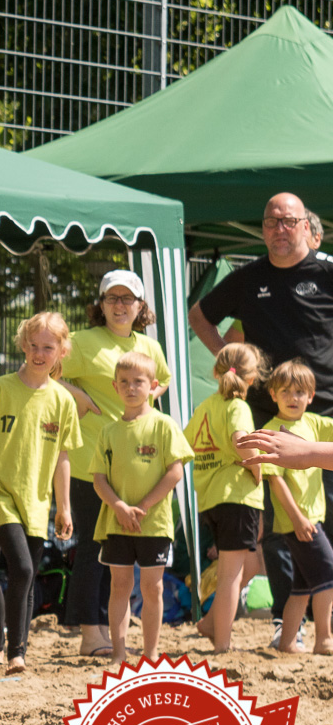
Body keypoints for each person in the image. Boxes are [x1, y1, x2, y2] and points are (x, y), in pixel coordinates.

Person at [192, 192, 333, 642]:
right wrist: (232, 365)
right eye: (270, 222)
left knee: (319, 526)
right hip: (269, 421)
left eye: (287, 221)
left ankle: (234, 617)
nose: (278, 229)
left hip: (326, 413)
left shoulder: (327, 272)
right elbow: (199, 316)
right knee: (281, 531)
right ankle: (283, 624)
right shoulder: (249, 278)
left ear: (307, 226)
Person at [59, 269, 171, 657]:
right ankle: (91, 634)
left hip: (138, 472)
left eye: (128, 299)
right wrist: (77, 394)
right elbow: (43, 370)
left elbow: (164, 380)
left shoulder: (148, 347)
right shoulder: (82, 341)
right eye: (113, 298)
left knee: (118, 561)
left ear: (141, 307)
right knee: (94, 550)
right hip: (91, 466)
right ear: (101, 305)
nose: (120, 305)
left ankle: (108, 633)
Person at [0, 312, 80, 674]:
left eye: (47, 347)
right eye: (33, 345)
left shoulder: (63, 401)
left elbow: (63, 456)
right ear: (22, 345)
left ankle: (15, 651)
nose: (39, 352)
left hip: (36, 502)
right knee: (4, 569)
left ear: (61, 351)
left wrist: (63, 507)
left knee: (25, 574)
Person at [91, 351, 193, 666]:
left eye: (138, 381)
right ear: (115, 386)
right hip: (116, 523)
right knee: (119, 586)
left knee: (153, 587)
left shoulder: (163, 425)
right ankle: (119, 653)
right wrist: (120, 506)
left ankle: (150, 654)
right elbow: (98, 478)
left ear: (153, 386)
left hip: (154, 523)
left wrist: (143, 506)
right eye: (124, 382)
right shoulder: (108, 431)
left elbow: (175, 472)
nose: (131, 387)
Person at [187, 343, 266, 654]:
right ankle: (222, 644)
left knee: (252, 562)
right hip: (237, 497)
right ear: (252, 377)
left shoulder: (206, 405)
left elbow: (186, 443)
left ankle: (209, 622)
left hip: (211, 499)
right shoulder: (238, 407)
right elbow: (242, 441)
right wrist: (258, 471)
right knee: (231, 574)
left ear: (215, 371)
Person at [253, 360, 333, 655]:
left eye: (300, 391)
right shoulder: (271, 432)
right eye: (285, 391)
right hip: (299, 521)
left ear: (311, 396)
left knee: (301, 586)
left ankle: (287, 641)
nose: (293, 397)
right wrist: (298, 518)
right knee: (329, 575)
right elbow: (276, 483)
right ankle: (324, 639)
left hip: (312, 518)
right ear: (272, 394)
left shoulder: (314, 423)